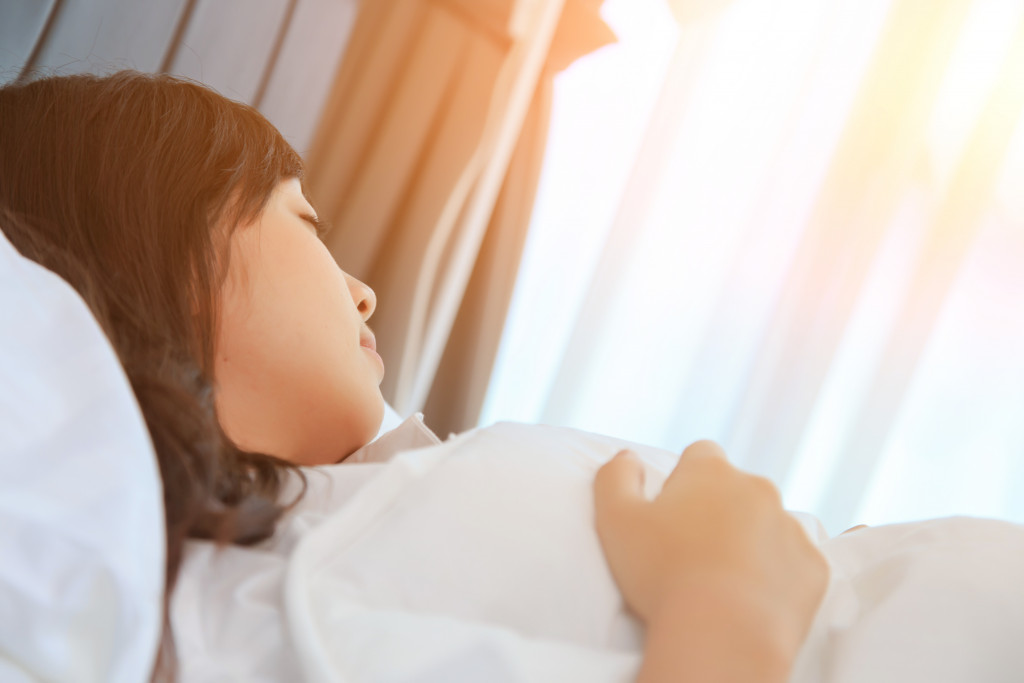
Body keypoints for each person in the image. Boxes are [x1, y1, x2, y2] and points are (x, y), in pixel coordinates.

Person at [0, 71, 827, 682]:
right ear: (164, 259)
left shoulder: (322, 517)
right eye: (305, 221)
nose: (361, 292)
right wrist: (728, 607)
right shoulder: (223, 622)